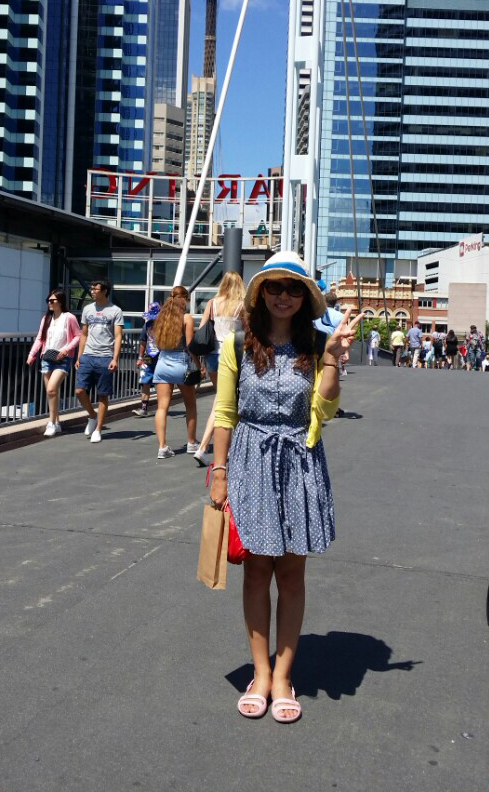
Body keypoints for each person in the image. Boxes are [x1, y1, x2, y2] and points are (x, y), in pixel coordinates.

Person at [210, 252, 363, 723]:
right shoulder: (238, 341)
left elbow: (325, 410)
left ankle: (282, 676)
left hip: (299, 459)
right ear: (260, 293)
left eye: (294, 289)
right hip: (250, 460)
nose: (284, 296)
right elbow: (225, 411)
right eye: (275, 287)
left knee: (292, 573)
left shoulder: (315, 343)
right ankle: (260, 673)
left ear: (305, 297)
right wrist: (219, 472)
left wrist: (332, 358)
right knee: (256, 571)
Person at [193, 273, 246, 467]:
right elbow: (247, 331)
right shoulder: (241, 305)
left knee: (221, 398)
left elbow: (202, 328)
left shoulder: (212, 303)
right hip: (232, 354)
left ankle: (211, 446)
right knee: (225, 401)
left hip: (212, 355)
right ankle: (205, 447)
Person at [153, 286, 200, 459]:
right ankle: (191, 443)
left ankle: (162, 447)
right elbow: (190, 346)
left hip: (162, 363)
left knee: (162, 407)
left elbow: (157, 343)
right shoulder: (186, 318)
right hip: (181, 363)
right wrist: (199, 365)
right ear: (185, 300)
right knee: (190, 405)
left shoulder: (161, 317)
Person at [27, 290, 81, 437]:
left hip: (63, 358)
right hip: (47, 357)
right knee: (51, 392)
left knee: (51, 389)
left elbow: (78, 336)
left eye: (52, 301)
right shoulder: (46, 318)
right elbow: (40, 338)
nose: (49, 303)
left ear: (60, 302)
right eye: (48, 301)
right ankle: (56, 422)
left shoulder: (69, 317)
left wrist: (66, 349)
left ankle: (51, 423)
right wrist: (32, 354)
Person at [75, 280, 123, 443]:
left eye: (95, 289)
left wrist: (115, 358)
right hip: (87, 356)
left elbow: (118, 336)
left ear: (104, 291)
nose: (92, 292)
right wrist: (79, 356)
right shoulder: (87, 309)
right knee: (79, 391)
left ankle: (98, 429)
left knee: (102, 395)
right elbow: (84, 334)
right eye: (92, 289)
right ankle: (92, 415)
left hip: (105, 357)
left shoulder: (115, 310)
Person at [133, 303, 161, 417]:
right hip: (148, 356)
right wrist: (140, 358)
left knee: (160, 382)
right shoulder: (146, 325)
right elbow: (143, 341)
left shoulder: (164, 325)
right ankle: (143, 408)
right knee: (145, 381)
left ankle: (161, 408)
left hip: (161, 355)